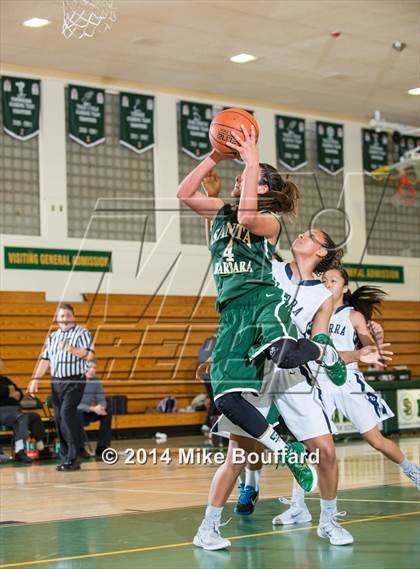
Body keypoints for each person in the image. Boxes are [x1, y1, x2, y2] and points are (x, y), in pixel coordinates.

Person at [177, 125, 349, 550]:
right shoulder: (246, 243)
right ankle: (208, 527)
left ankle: (327, 518)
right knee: (237, 448)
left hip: (280, 353)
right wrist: (217, 156)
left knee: (325, 449)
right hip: (242, 336)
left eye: (247, 178)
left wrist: (252, 157)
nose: (238, 181)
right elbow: (186, 194)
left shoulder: (273, 231)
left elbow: (249, 216)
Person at [274, 267, 420, 527]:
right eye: (324, 280)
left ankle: (412, 470)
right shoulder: (315, 311)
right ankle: (298, 506)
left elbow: (366, 344)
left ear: (344, 288)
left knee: (376, 439)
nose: (327, 283)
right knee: (310, 446)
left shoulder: (352, 315)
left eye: (333, 280)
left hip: (348, 381)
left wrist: (375, 341)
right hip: (319, 381)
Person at [28, 303, 95, 471]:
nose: (65, 319)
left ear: (73, 317)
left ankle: (74, 457)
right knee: (59, 419)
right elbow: (45, 360)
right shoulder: (52, 337)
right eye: (62, 316)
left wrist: (70, 349)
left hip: (75, 381)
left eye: (68, 315)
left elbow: (90, 354)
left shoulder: (82, 333)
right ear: (57, 319)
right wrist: (35, 379)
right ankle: (66, 456)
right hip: (57, 382)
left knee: (67, 414)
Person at [0, 359, 48, 463]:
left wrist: (11, 392)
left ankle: (41, 448)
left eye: (2, 361)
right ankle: (19, 451)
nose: (2, 363)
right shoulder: (6, 383)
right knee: (20, 418)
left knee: (34, 416)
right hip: (2, 411)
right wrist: (10, 391)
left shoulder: (5, 379)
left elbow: (20, 394)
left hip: (15, 411)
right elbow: (3, 391)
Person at [77, 360, 112, 458]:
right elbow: (73, 404)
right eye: (90, 367)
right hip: (76, 412)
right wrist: (92, 409)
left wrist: (101, 407)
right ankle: (79, 447)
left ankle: (102, 447)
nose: (92, 370)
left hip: (88, 411)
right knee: (77, 413)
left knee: (107, 414)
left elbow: (101, 399)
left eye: (94, 368)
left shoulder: (96, 381)